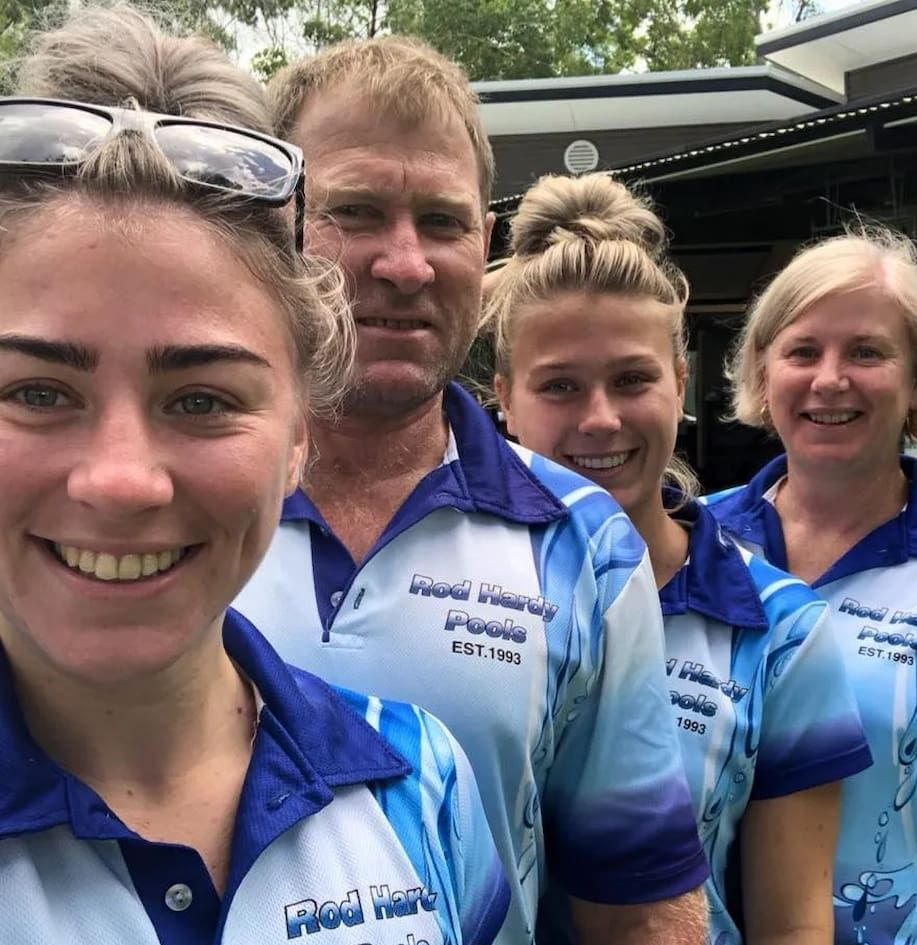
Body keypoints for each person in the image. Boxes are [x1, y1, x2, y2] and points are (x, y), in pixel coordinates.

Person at [0, 8, 512, 944]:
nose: (121, 482)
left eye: (201, 400)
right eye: (37, 390)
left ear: (299, 436)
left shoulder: (417, 785)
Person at [235, 35, 709, 945]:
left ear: (485, 245)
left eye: (445, 222)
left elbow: (639, 905)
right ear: (274, 221)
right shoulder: (157, 505)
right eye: (356, 210)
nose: (405, 263)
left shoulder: (587, 548)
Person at [484, 172, 873, 945]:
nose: (600, 419)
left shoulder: (779, 634)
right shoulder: (440, 586)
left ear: (680, 380)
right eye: (559, 385)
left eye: (632, 379)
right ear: (503, 397)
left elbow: (791, 926)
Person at [705, 229, 917, 945]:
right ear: (763, 372)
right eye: (802, 351)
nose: (829, 378)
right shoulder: (683, 544)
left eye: (865, 351)